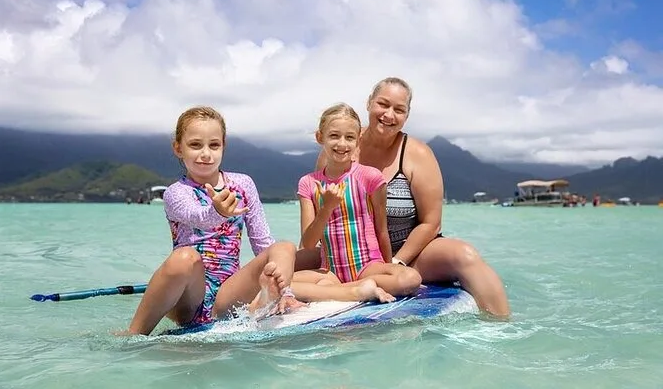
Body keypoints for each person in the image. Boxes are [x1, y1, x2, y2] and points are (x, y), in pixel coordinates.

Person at [126, 106, 391, 335]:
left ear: (223, 146)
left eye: (214, 145)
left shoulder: (242, 184)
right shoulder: (176, 193)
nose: (205, 153)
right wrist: (219, 211)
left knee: (284, 247)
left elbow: (262, 242)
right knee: (185, 258)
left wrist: (283, 283)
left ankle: (277, 297)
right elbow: (199, 218)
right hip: (188, 299)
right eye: (195, 145)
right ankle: (133, 333)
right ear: (178, 148)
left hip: (226, 295)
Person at [306, 78, 511, 318]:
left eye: (399, 109)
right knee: (286, 256)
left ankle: (502, 326)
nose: (389, 115)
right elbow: (320, 214)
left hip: (409, 255)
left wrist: (396, 262)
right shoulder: (341, 145)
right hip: (348, 254)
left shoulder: (417, 154)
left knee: (464, 255)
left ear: (407, 115)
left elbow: (431, 223)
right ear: (369, 103)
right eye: (383, 104)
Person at [294, 103, 421, 298]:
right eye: (334, 136)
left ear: (358, 140)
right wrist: (326, 209)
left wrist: (388, 269)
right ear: (320, 137)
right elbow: (308, 244)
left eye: (349, 137)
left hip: (368, 267)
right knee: (279, 280)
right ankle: (355, 290)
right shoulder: (309, 183)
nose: (342, 144)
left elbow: (381, 230)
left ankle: (336, 291)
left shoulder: (370, 177)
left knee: (411, 278)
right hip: (331, 272)